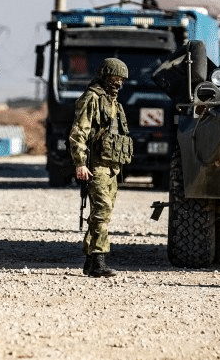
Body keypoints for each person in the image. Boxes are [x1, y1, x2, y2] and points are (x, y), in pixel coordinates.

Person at [70, 58, 133, 278]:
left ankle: (89, 262)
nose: (118, 83)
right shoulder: (92, 99)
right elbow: (78, 133)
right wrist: (80, 163)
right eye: (114, 78)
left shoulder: (114, 103)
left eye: (121, 79)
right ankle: (99, 261)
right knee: (102, 212)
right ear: (105, 76)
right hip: (96, 166)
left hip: (112, 167)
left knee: (101, 213)